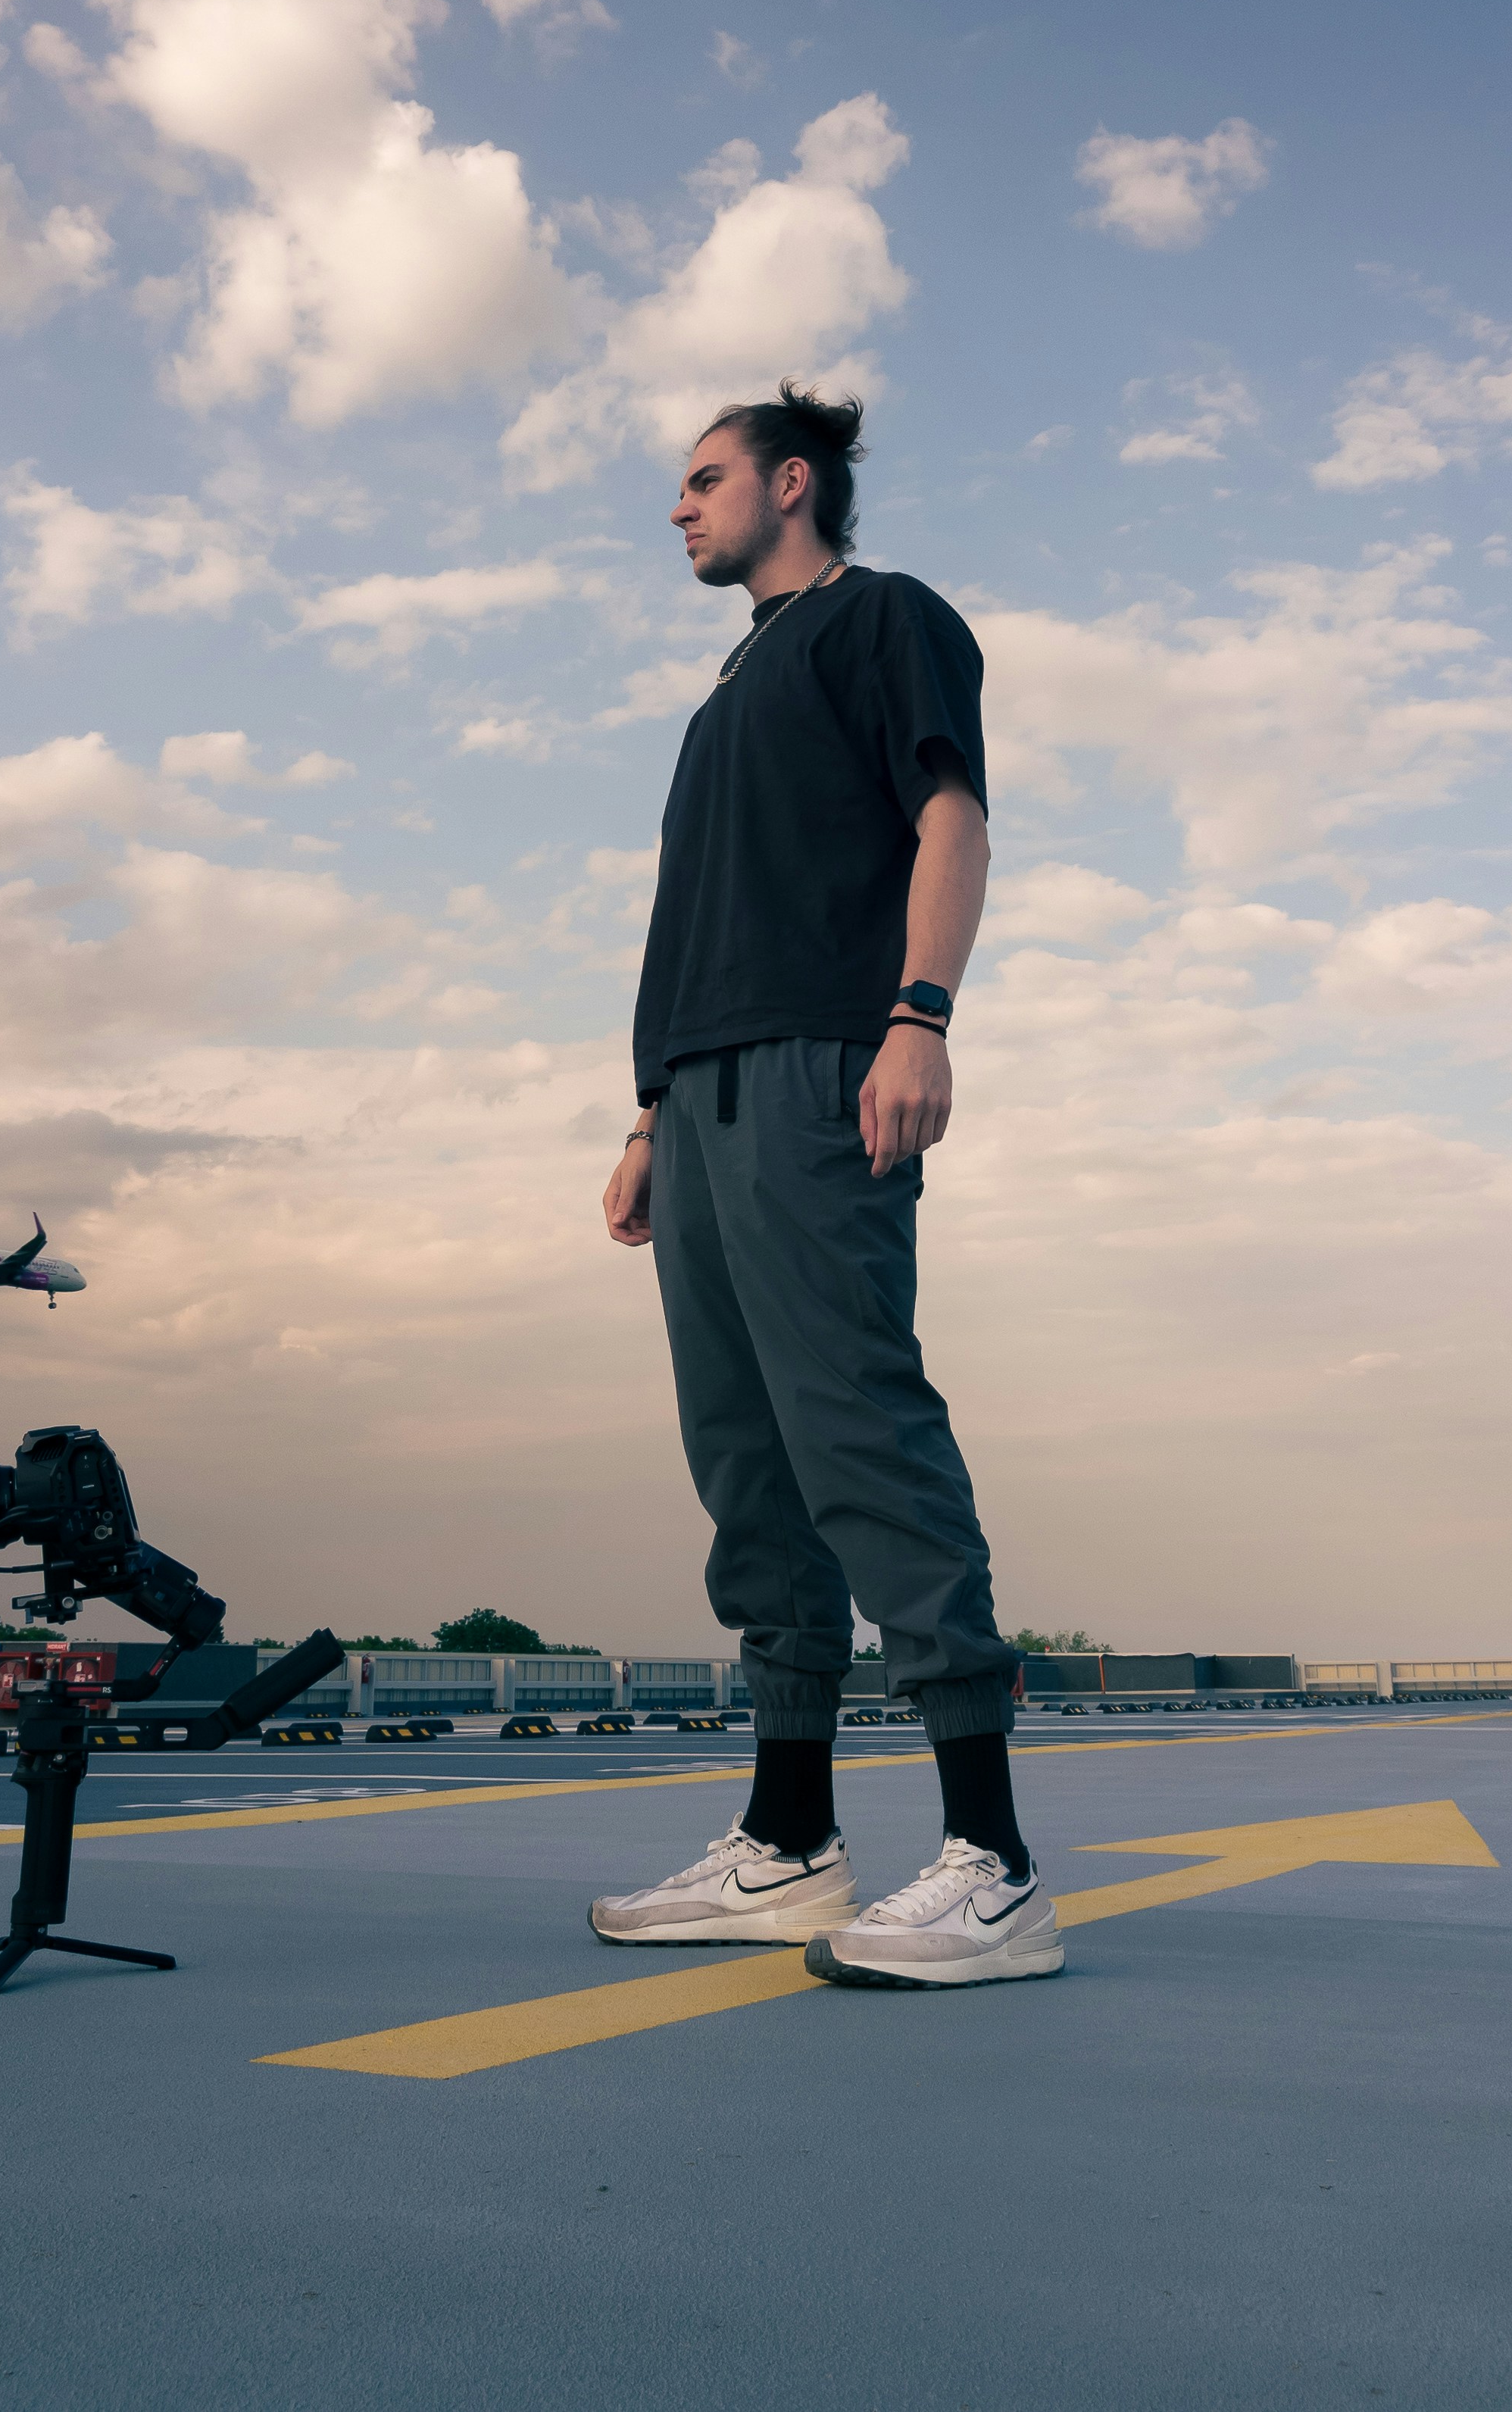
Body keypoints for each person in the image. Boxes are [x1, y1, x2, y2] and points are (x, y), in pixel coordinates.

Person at [588, 383, 1061, 1992]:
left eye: (702, 477)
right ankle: (787, 1841)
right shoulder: (722, 697)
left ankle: (993, 1861)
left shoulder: (883, 620)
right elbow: (690, 923)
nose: (678, 505)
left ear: (791, 482)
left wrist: (919, 1016)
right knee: (747, 1464)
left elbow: (951, 820)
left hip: (818, 1069)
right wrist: (648, 1118)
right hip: (698, 1096)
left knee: (855, 1422)